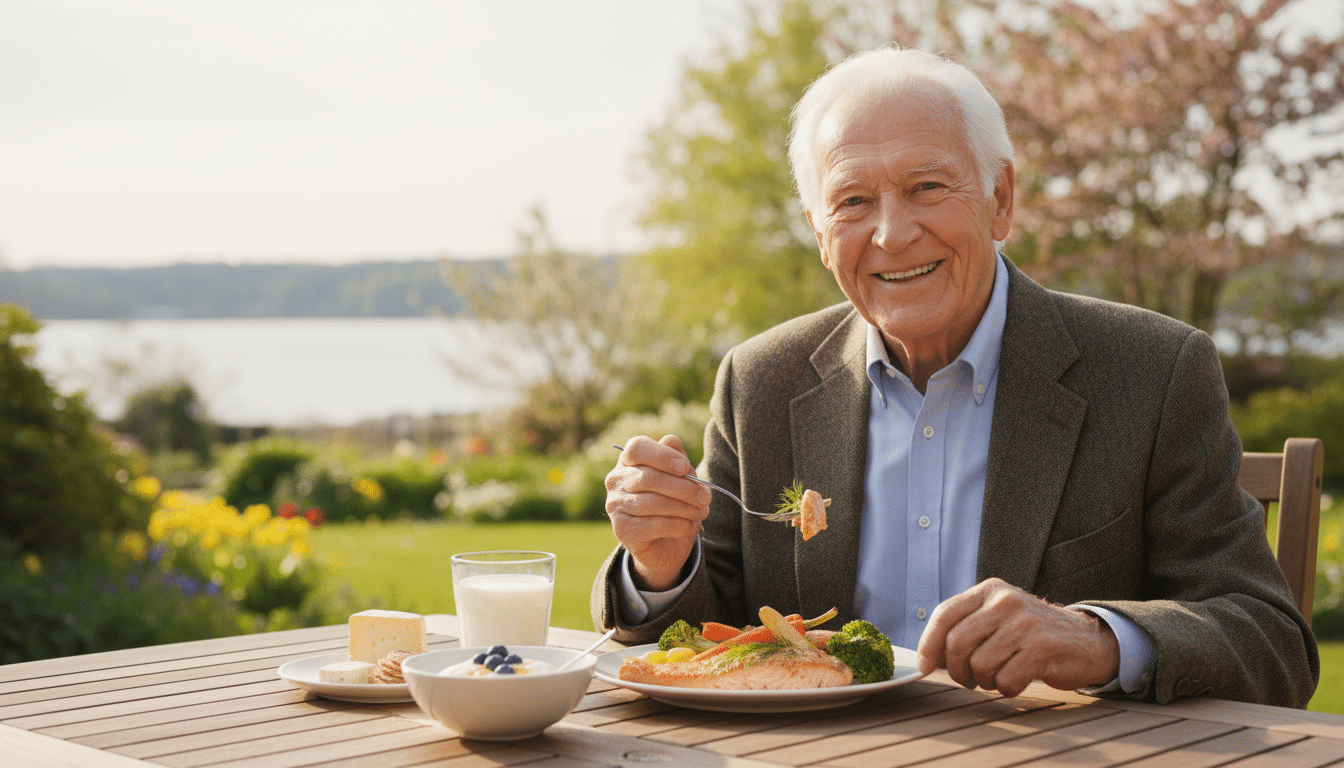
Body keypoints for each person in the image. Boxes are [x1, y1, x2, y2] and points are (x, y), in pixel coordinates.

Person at [591, 46, 1318, 707]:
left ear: (1001, 199)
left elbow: (1270, 640)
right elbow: (700, 647)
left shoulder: (1153, 371)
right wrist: (662, 567)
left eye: (927, 187)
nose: (891, 234)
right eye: (852, 202)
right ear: (819, 232)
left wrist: (1093, 638)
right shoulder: (761, 381)